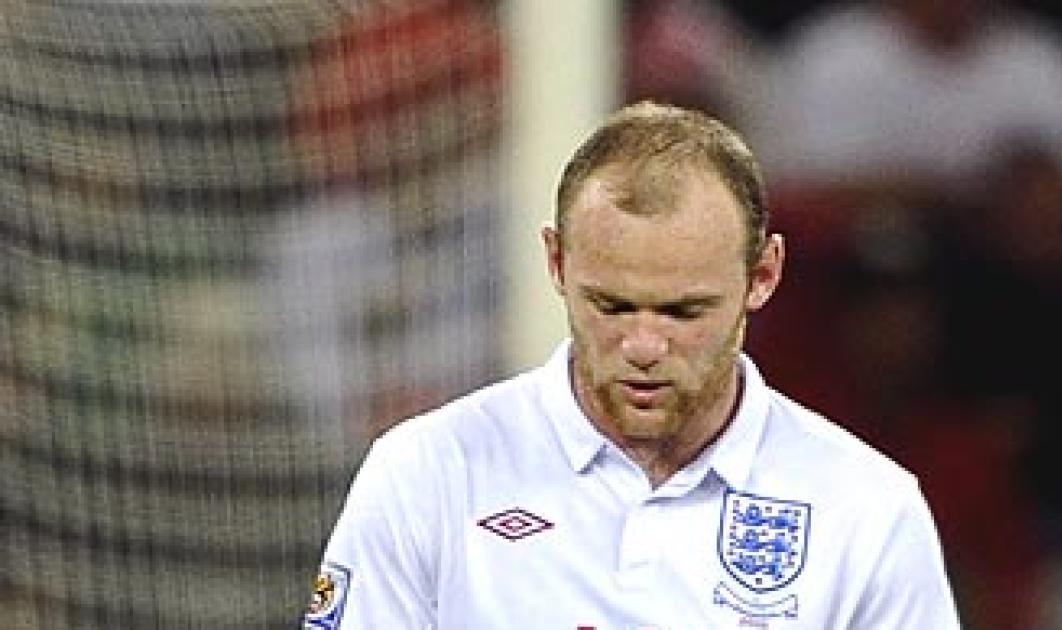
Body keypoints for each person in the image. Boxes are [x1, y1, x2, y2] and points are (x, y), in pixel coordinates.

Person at [302, 101, 961, 629]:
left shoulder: (867, 510)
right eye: (612, 306)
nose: (644, 346)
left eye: (683, 312)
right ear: (556, 262)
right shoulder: (427, 472)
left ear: (763, 275)